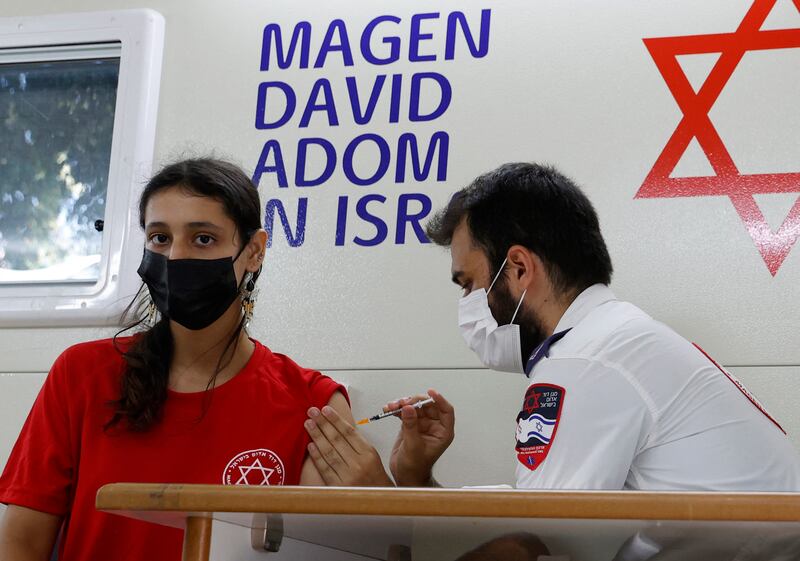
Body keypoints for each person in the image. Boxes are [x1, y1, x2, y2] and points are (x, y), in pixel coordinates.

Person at [305, 162, 800, 493]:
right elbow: (535, 518)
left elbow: (533, 543)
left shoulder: (588, 362)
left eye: (469, 284)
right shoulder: (613, 340)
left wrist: (380, 500)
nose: (467, 305)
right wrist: (416, 480)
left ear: (518, 269)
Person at [0, 158, 391, 561]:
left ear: (254, 251)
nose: (175, 258)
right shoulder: (81, 375)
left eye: (203, 239)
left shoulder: (310, 403)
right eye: (160, 238)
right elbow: (22, 544)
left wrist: (385, 496)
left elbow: (334, 550)